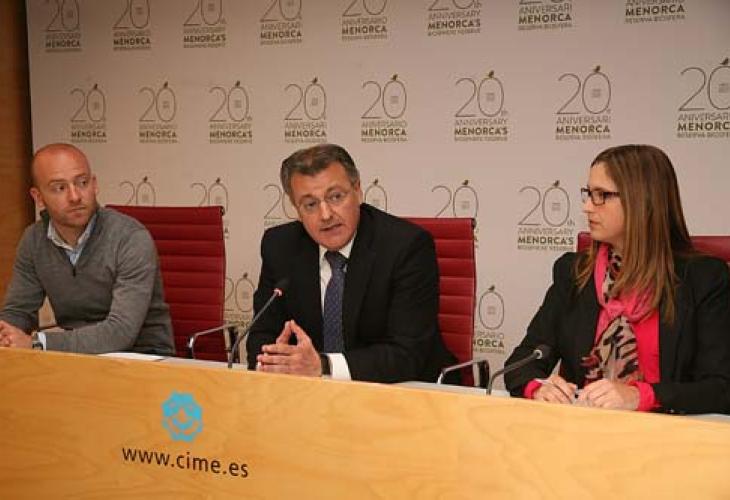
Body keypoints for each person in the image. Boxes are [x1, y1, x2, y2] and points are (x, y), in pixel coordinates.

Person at [504, 144, 730, 415]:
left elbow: (720, 389)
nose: (587, 207)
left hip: (667, 433)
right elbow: (521, 363)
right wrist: (539, 387)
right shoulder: (574, 273)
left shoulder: (704, 279)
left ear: (642, 201)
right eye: (588, 194)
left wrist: (640, 396)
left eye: (602, 195)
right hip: (582, 429)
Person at [246, 143, 457, 383]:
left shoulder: (405, 247)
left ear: (358, 190)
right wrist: (274, 363)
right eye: (310, 204)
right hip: (309, 392)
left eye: (336, 197)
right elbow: (262, 334)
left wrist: (322, 365)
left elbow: (406, 355)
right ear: (296, 208)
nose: (326, 215)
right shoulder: (280, 246)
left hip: (401, 389)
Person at [0, 143, 174, 355]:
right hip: (77, 358)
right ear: (38, 197)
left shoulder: (129, 238)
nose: (75, 196)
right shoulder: (33, 241)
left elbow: (120, 332)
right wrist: (6, 335)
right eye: (60, 188)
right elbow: (18, 312)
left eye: (82, 183)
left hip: (142, 357)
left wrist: (38, 343)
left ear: (94, 185)